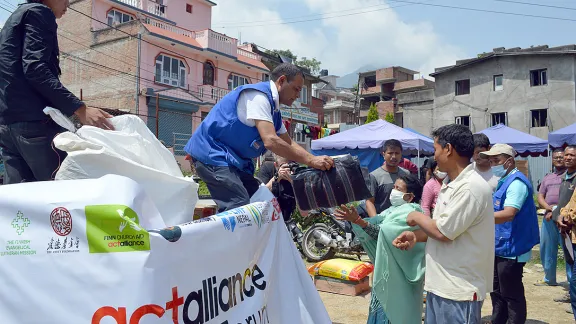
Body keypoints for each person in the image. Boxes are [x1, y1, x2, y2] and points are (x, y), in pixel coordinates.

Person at [184, 63, 333, 212]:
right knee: (238, 206)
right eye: (296, 89)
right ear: (281, 81)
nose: (298, 95)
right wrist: (312, 160)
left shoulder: (274, 111)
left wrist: (312, 160)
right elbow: (271, 140)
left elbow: (288, 142)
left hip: (234, 162)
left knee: (264, 202)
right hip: (212, 154)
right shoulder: (258, 97)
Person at [0, 0, 114, 184]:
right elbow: (35, 68)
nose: (67, 5)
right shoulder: (40, 12)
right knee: (63, 192)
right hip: (34, 125)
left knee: (20, 203)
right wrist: (80, 109)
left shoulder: (13, 19)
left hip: (7, 126)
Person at [393, 124, 494, 324]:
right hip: (440, 284)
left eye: (436, 149)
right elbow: (446, 227)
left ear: (448, 149)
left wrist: (415, 216)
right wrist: (417, 236)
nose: (434, 156)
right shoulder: (451, 184)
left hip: (458, 290)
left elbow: (443, 232)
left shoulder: (470, 187)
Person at [335, 174, 425, 324]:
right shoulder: (391, 211)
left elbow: (382, 234)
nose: (394, 191)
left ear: (409, 197)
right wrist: (357, 220)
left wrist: (358, 221)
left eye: (398, 188)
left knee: (396, 314)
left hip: (398, 280)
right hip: (387, 274)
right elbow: (376, 227)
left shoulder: (411, 212)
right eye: (394, 187)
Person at [480, 144, 539, 324]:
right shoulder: (503, 181)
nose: (493, 164)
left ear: (509, 161)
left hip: (513, 248)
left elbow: (509, 213)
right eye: (490, 160)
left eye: (496, 160)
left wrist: (477, 219)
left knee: (511, 294)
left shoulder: (517, 183)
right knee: (496, 292)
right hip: (499, 247)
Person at [536, 149, 571, 288]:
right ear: (552, 160)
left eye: (561, 157)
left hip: (565, 220)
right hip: (548, 218)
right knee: (547, 248)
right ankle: (549, 278)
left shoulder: (570, 176)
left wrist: (557, 210)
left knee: (568, 250)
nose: (558, 159)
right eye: (556, 157)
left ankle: (571, 283)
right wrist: (550, 209)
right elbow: (540, 196)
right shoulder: (548, 177)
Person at [256, 153, 303, 242]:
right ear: (276, 165)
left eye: (290, 166)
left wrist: (294, 182)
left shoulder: (297, 174)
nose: (287, 170)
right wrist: (276, 178)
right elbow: (259, 194)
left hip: (285, 219)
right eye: (284, 167)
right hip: (266, 220)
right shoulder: (268, 169)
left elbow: (304, 211)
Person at [554, 145, 576, 315]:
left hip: (572, 229)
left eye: (572, 155)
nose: (568, 158)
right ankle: (571, 292)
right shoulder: (565, 177)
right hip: (564, 229)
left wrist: (567, 218)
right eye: (566, 155)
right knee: (569, 263)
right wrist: (558, 215)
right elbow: (566, 204)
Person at [364, 139, 409, 217]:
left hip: (401, 219)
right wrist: (376, 222)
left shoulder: (406, 174)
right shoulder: (374, 176)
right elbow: (369, 202)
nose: (394, 156)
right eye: (390, 153)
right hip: (383, 221)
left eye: (397, 153)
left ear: (401, 154)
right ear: (383, 154)